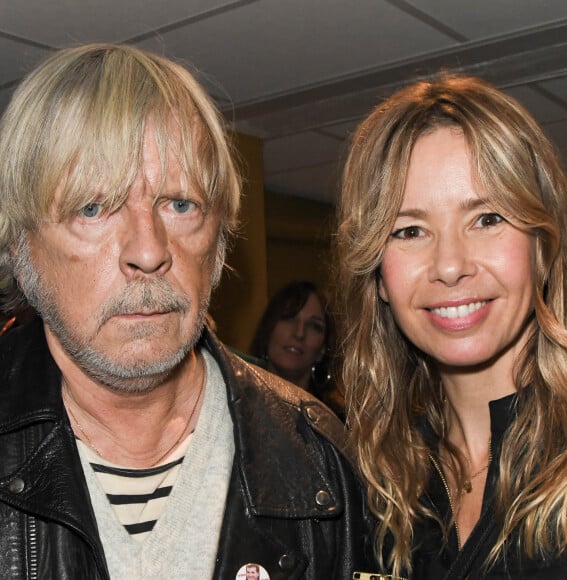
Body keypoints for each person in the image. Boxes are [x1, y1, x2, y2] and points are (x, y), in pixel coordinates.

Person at [0, 43, 372, 579]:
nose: (149, 250)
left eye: (180, 204)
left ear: (218, 243)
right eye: (92, 207)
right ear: (21, 247)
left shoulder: (318, 455)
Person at [335, 74, 567, 579]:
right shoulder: (370, 485)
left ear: (545, 243)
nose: (449, 265)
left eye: (487, 219)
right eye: (410, 230)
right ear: (378, 277)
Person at [250, 281, 345, 417]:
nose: (299, 333)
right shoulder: (234, 396)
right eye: (289, 318)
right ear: (268, 328)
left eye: (314, 326)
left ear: (323, 349)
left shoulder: (336, 423)